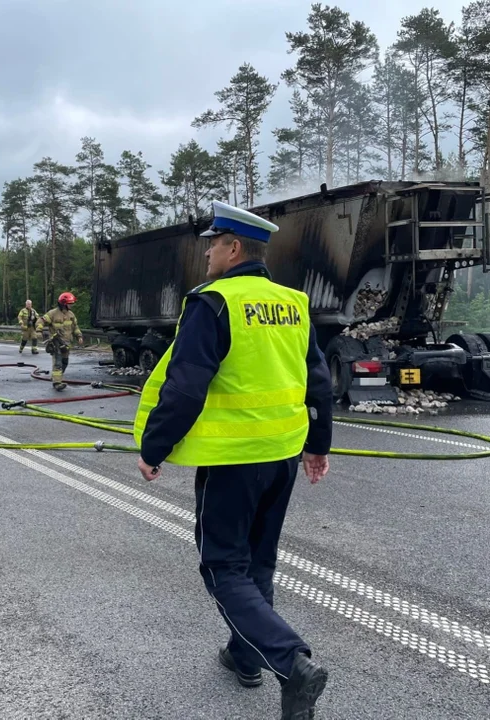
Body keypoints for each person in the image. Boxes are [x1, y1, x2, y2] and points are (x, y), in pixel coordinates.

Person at [133, 200, 333, 720]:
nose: (206, 254)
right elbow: (319, 379)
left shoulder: (214, 302)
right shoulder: (293, 302)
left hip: (233, 460)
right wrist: (318, 444)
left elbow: (185, 387)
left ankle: (290, 661)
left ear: (235, 248)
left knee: (223, 565)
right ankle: (246, 655)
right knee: (257, 561)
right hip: (283, 454)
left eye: (212, 244)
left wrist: (154, 448)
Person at [36, 292, 83, 390]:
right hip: (56, 342)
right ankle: (57, 383)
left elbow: (75, 327)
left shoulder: (71, 315)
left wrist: (79, 336)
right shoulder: (53, 313)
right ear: (63, 303)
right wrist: (39, 331)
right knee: (58, 362)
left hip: (66, 343)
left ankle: (56, 377)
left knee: (65, 362)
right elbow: (41, 321)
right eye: (70, 303)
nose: (71, 305)